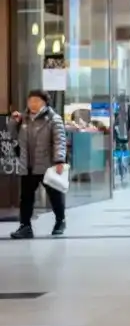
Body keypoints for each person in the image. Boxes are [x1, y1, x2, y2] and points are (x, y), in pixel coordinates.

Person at [8, 89, 68, 239]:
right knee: (26, 198)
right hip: (27, 165)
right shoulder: (23, 119)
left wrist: (59, 160)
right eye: (30, 101)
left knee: (54, 195)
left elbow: (59, 140)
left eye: (36, 101)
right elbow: (13, 136)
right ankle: (25, 226)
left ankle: (60, 221)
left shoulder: (53, 119)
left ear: (44, 103)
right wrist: (12, 122)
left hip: (47, 165)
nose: (32, 104)